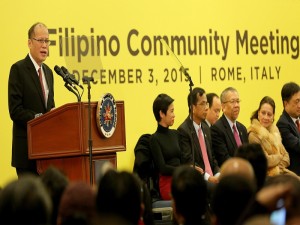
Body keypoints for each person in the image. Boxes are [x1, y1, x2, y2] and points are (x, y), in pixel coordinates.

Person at [8, 22, 55, 177]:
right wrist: (38, 119)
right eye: (40, 40)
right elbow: (15, 111)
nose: (45, 46)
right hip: (26, 155)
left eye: (47, 41)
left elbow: (50, 108)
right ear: (29, 43)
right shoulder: (18, 70)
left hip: (46, 154)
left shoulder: (48, 72)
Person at [177, 87, 219, 184]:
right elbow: (189, 162)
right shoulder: (184, 130)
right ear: (193, 108)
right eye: (202, 104)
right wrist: (208, 178)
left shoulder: (206, 128)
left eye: (207, 103)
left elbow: (212, 158)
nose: (206, 108)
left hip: (212, 178)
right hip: (198, 181)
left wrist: (218, 174)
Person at [248, 96, 297, 177]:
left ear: (273, 116)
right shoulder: (253, 134)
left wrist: (277, 166)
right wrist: (279, 156)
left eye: (269, 114)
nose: (266, 117)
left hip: (280, 173)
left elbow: (287, 157)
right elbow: (264, 161)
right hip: (265, 177)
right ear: (258, 114)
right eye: (263, 113)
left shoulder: (275, 132)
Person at [150, 93, 182, 200]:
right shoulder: (154, 139)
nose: (174, 115)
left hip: (181, 178)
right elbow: (163, 168)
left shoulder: (175, 134)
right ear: (162, 114)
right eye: (171, 111)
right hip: (167, 183)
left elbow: (182, 159)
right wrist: (182, 170)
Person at [210, 87, 248, 166]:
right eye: (232, 102)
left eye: (238, 101)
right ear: (223, 106)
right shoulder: (217, 129)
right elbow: (224, 159)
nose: (236, 105)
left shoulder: (242, 129)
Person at [276, 82, 300, 175]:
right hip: (294, 176)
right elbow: (297, 145)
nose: (299, 105)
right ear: (286, 103)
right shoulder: (282, 124)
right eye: (296, 101)